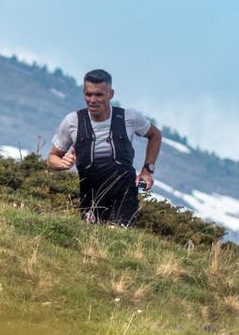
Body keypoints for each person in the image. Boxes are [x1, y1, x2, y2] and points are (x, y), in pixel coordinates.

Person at [47, 69, 162, 226]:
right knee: (91, 238)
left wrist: (147, 170)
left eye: (99, 95)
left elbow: (155, 135)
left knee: (118, 234)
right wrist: (61, 163)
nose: (92, 100)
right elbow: (52, 158)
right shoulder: (72, 121)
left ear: (110, 94)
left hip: (124, 193)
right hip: (90, 195)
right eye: (88, 94)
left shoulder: (129, 117)